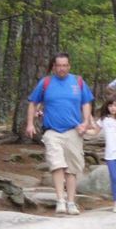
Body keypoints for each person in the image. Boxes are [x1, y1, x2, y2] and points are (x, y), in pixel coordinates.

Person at [26, 53, 94, 215]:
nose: (62, 68)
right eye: (59, 65)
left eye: (65, 65)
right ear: (54, 67)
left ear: (69, 66)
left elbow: (86, 102)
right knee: (56, 165)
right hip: (52, 131)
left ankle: (71, 202)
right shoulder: (46, 82)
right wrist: (30, 124)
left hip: (73, 131)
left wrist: (85, 122)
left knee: (71, 169)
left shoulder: (77, 82)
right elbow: (32, 103)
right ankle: (60, 200)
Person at [87, 97, 116, 212]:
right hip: (110, 154)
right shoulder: (104, 120)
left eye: (115, 105)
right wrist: (83, 131)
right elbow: (94, 132)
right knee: (114, 178)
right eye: (110, 105)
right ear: (107, 107)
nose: (113, 108)